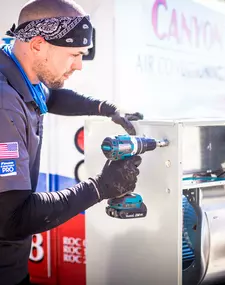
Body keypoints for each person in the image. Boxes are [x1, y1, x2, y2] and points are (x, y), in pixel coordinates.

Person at [0, 0, 143, 284]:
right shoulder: (4, 103)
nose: (79, 65)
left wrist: (106, 107)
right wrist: (100, 187)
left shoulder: (16, 68)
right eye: (74, 54)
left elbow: (50, 96)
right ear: (39, 44)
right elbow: (11, 219)